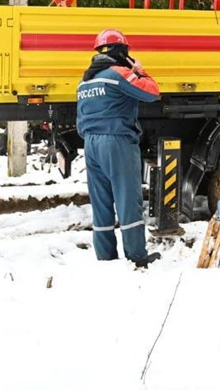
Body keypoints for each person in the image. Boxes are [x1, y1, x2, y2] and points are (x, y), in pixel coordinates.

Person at [76, 29, 162, 267]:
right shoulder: (118, 74)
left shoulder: (85, 81)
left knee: (101, 201)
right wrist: (139, 70)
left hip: (91, 144)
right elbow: (152, 92)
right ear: (121, 52)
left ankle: (105, 257)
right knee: (127, 198)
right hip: (116, 142)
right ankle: (136, 256)